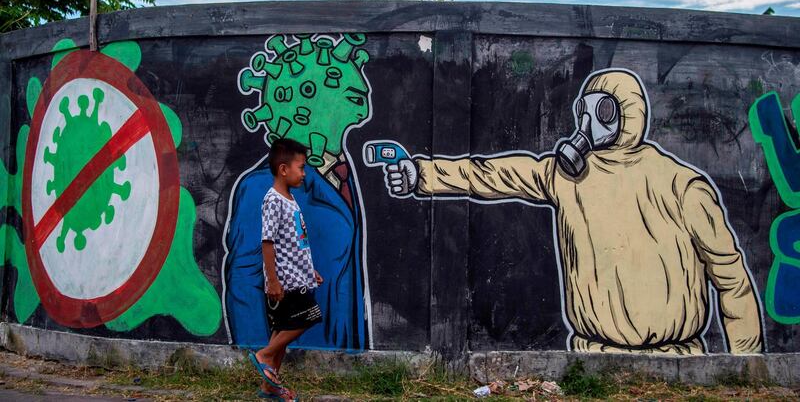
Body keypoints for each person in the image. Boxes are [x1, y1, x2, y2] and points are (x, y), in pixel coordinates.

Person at [379, 69, 763, 354]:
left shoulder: (682, 186)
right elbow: (492, 175)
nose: (590, 123)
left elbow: (731, 278)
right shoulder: (568, 177)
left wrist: (747, 365)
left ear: (628, 113)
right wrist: (421, 174)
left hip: (677, 362)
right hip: (590, 357)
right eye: (586, 110)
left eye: (604, 110)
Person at [247, 138, 324, 400]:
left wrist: (309, 270)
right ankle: (264, 355)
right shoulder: (274, 200)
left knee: (281, 331)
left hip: (299, 276)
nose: (303, 174)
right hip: (286, 282)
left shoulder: (289, 199)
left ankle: (270, 387)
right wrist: (273, 281)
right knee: (309, 317)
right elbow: (267, 242)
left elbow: (295, 243)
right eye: (300, 168)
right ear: (283, 169)